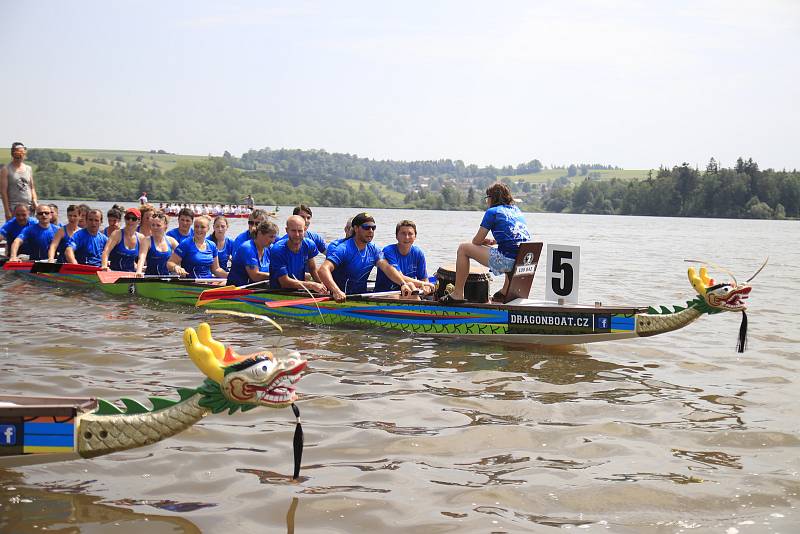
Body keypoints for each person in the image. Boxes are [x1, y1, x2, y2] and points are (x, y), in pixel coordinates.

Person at [441, 182, 531, 304]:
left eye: (487, 198)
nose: (487, 202)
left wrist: (482, 242)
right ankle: (505, 291)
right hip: (523, 260)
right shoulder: (516, 210)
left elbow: (476, 241)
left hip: (507, 262)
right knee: (507, 250)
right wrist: (493, 241)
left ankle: (458, 294)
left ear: (491, 198)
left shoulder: (492, 212)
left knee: (463, 249)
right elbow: (515, 238)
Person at [317, 212, 428, 303]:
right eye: (366, 227)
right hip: (342, 297)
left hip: (361, 296)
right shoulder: (344, 248)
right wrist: (336, 291)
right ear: (356, 228)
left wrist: (403, 283)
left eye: (373, 228)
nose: (370, 231)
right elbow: (323, 269)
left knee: (412, 293)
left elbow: (388, 268)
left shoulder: (374, 249)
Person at [269, 215, 327, 292]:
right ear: (287, 230)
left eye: (300, 231)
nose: (297, 235)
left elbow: (312, 269)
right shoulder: (278, 250)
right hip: (279, 290)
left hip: (299, 288)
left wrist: (321, 285)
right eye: (293, 231)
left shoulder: (309, 244)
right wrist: (312, 285)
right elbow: (284, 282)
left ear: (305, 230)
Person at [374, 220, 433, 294]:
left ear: (415, 236)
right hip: (386, 293)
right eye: (403, 234)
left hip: (408, 291)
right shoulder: (388, 251)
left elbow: (424, 279)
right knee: (411, 285)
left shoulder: (418, 253)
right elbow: (400, 276)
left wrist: (426, 286)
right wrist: (423, 284)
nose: (407, 237)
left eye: (410, 234)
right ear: (396, 236)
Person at [227, 221, 278, 287]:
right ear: (260, 234)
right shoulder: (248, 248)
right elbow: (255, 276)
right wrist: (279, 277)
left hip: (259, 287)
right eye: (271, 237)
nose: (273, 241)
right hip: (238, 288)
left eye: (274, 237)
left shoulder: (270, 248)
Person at [135, 210, 179, 276]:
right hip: (150, 278)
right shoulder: (146, 241)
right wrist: (139, 271)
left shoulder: (171, 241)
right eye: (153, 225)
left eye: (158, 225)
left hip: (167, 279)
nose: (155, 228)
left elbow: (184, 255)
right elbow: (142, 257)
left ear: (165, 227)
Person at [1, 142, 38, 220]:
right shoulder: (5, 169)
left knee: (29, 230)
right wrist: (7, 211)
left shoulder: (29, 168)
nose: (19, 155)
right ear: (12, 153)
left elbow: (32, 188)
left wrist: (35, 201)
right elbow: (3, 192)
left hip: (29, 207)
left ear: (24, 154)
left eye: (22, 153)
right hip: (14, 207)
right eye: (17, 153)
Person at [101, 208, 142, 272]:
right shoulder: (117, 234)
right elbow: (106, 252)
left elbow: (142, 258)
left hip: (132, 274)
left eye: (134, 219)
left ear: (139, 220)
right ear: (125, 219)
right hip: (114, 272)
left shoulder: (141, 238)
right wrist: (104, 266)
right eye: (128, 218)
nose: (130, 221)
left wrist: (139, 270)